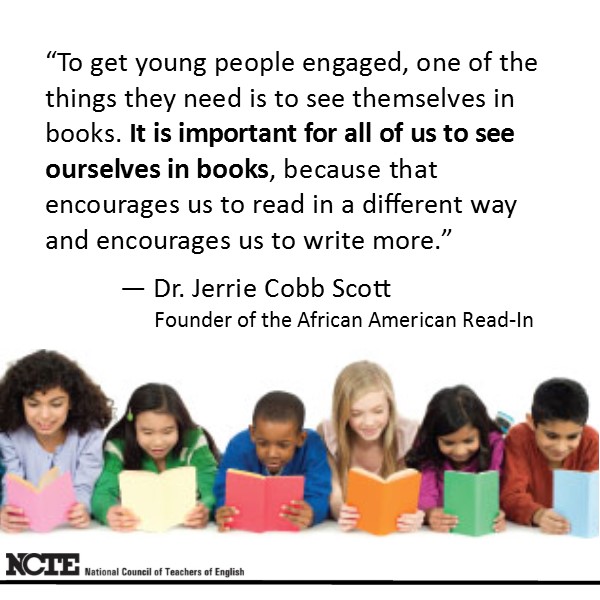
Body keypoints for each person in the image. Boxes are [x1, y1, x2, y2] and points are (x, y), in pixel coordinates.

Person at [0, 350, 112, 532]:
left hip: (70, 531)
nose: (44, 416)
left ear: (72, 402)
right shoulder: (9, 434)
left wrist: (82, 507)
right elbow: (11, 480)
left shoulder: (89, 433)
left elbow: (85, 481)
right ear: (20, 403)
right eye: (33, 404)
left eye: (56, 404)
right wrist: (7, 510)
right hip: (27, 534)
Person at [91, 383, 218, 531]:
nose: (158, 442)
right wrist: (108, 512)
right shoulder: (118, 445)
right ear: (133, 427)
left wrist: (205, 508)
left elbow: (213, 486)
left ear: (179, 425)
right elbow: (102, 492)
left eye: (167, 431)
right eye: (147, 432)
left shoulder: (193, 439)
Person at [318, 360, 422, 532]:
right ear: (342, 413)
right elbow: (334, 493)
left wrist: (415, 515)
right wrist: (341, 513)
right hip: (348, 536)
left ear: (390, 406)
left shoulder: (406, 433)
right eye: (356, 414)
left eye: (378, 411)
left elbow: (414, 494)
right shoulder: (330, 434)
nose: (369, 422)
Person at [214, 390, 331, 531]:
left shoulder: (312, 445)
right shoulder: (238, 446)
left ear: (301, 438)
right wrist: (222, 509)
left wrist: (312, 512)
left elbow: (320, 493)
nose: (272, 453)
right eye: (262, 443)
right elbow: (222, 490)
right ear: (252, 433)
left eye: (283, 445)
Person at [500, 378, 599, 534]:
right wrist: (538, 514)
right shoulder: (518, 438)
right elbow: (509, 495)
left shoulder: (590, 440)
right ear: (532, 422)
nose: (561, 447)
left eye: (572, 437)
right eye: (552, 436)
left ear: (582, 428)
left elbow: (593, 496)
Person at [405, 384, 505, 533]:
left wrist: (498, 514)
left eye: (468, 441)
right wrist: (430, 514)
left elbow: (499, 491)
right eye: (448, 443)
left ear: (482, 433)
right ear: (435, 438)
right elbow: (425, 495)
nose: (460, 451)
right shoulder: (428, 450)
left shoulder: (494, 446)